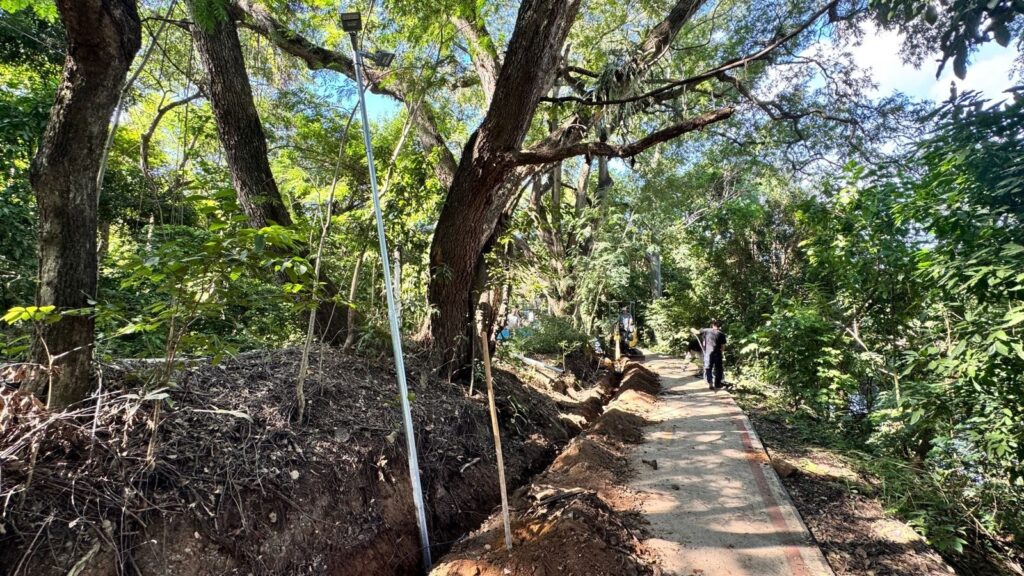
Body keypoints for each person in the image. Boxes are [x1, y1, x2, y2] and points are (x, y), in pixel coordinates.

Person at [700, 320, 727, 389]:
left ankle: (710, 382)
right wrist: (722, 352)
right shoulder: (721, 334)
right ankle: (717, 384)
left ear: (713, 325)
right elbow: (723, 346)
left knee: (708, 368)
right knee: (718, 369)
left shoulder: (706, 330)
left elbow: (698, 332)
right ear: (720, 326)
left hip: (708, 353)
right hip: (717, 353)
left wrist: (693, 329)